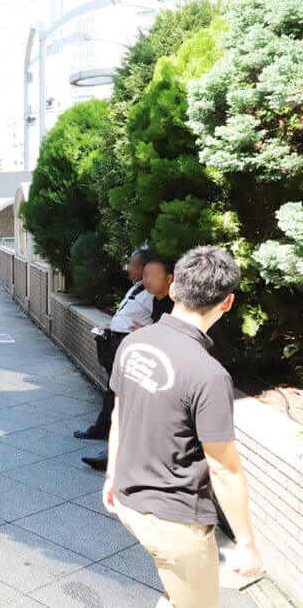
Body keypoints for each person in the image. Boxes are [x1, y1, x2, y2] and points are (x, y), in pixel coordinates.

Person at [103, 246, 263, 607]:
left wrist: (112, 477)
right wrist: (247, 543)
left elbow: (120, 413)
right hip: (175, 521)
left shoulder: (135, 343)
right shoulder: (208, 375)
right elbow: (224, 468)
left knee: (178, 593)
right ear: (227, 303)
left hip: (129, 501)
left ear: (173, 291)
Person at [78, 249, 156, 470]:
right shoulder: (138, 287)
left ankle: (112, 449)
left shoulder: (152, 293)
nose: (128, 268)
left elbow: (157, 322)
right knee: (113, 390)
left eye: (132, 265)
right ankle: (104, 433)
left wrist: (148, 329)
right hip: (117, 340)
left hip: (131, 345)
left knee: (121, 395)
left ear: (145, 268)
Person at [144, 259, 175, 323]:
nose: (148, 280)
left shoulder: (176, 304)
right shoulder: (156, 298)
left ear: (169, 279)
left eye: (154, 275)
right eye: (146, 275)